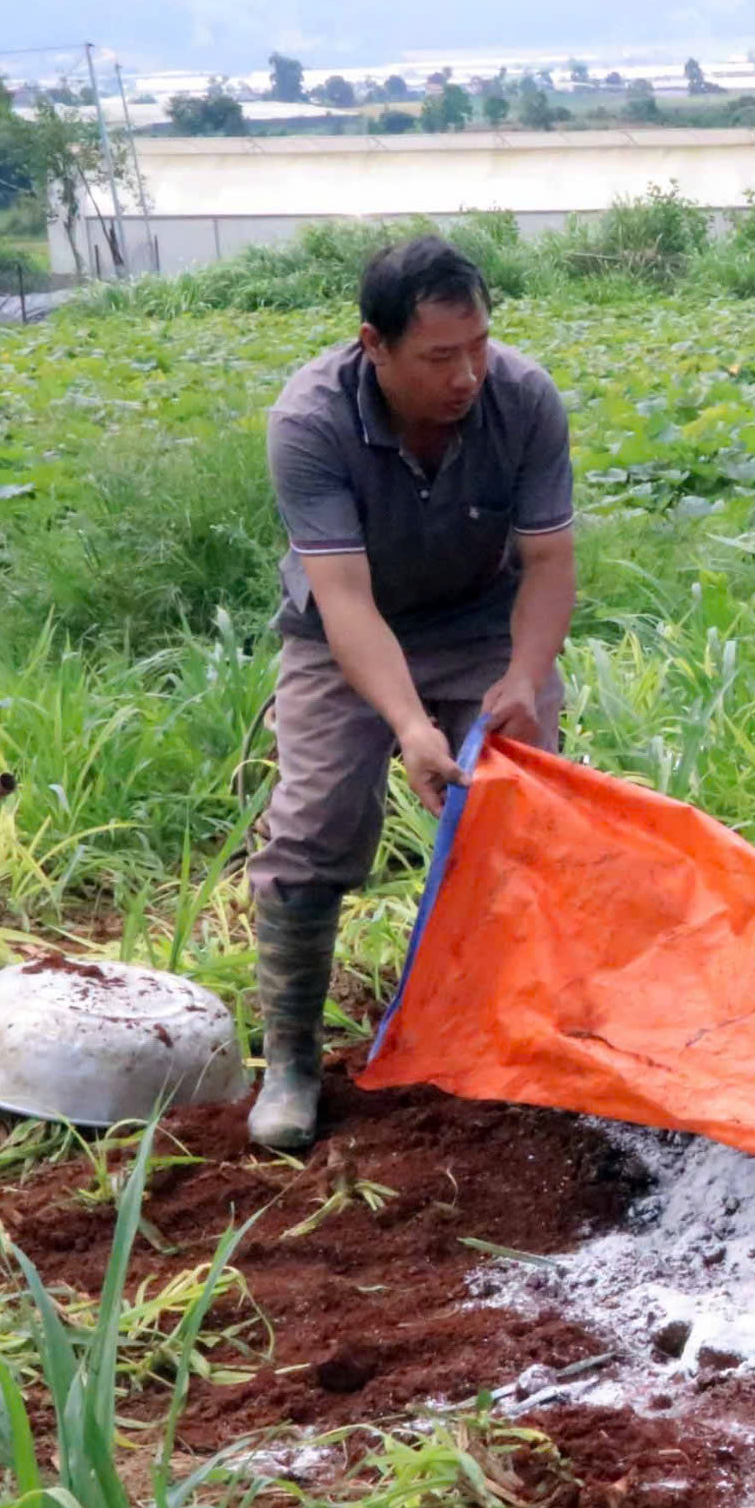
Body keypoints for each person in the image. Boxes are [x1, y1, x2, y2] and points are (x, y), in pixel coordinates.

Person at [245, 236, 577, 1151]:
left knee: (520, 808)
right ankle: (293, 1063)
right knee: (314, 822)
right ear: (373, 345)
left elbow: (549, 564)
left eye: (478, 345)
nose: (469, 373)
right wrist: (408, 723)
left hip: (481, 624)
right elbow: (344, 599)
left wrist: (521, 676)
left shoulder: (524, 397)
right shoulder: (309, 421)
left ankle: (517, 1026)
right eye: (440, 356)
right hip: (344, 634)